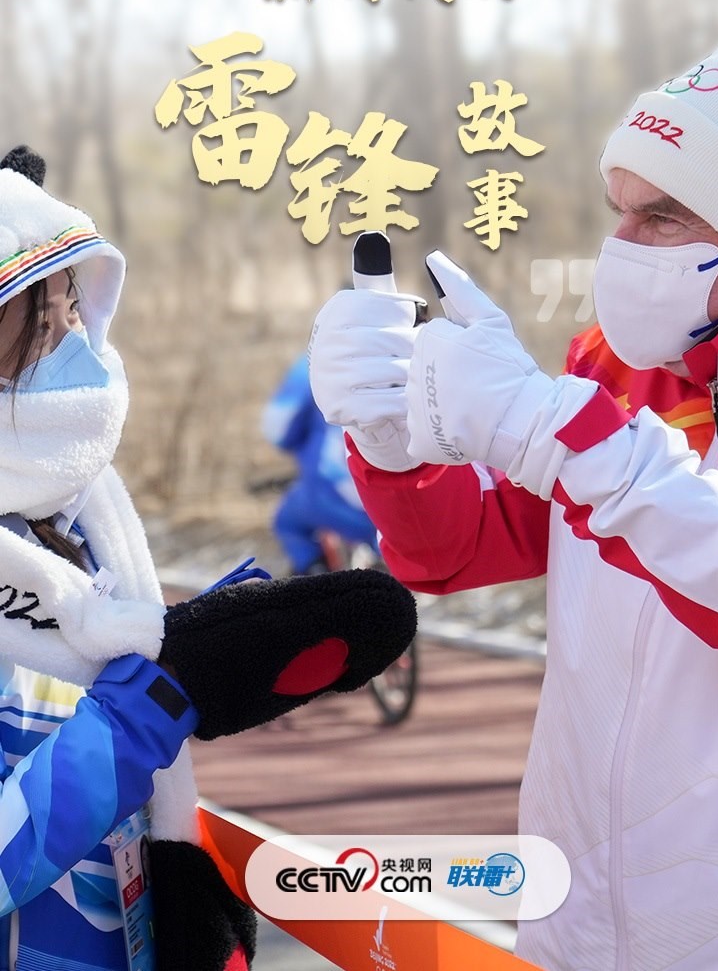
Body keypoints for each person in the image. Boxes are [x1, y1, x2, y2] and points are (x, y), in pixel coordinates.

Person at [309, 0, 718, 971]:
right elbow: (455, 550)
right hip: (572, 920)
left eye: (663, 215)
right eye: (619, 206)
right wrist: (398, 446)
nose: (622, 242)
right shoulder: (613, 367)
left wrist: (560, 434)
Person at [0, 146, 417, 971]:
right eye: (42, 324)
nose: (76, 341)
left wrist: (196, 645)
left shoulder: (78, 511)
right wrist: (149, 705)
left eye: (75, 306)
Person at [263, 354, 378, 573]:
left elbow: (277, 431)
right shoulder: (411, 351)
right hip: (406, 503)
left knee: (288, 524)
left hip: (334, 497)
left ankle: (316, 575)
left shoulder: (311, 365)